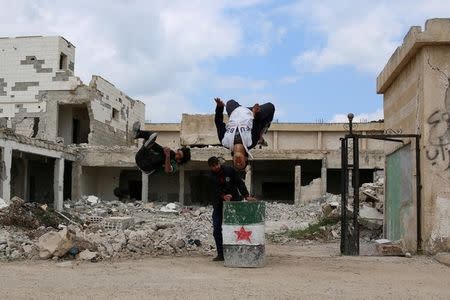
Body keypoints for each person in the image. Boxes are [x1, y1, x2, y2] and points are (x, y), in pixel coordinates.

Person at [207, 156, 256, 261]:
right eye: (213, 166)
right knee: (217, 229)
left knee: (238, 228)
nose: (216, 167)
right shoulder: (210, 177)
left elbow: (239, 183)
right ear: (210, 167)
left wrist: (246, 196)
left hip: (234, 204)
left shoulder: (229, 170)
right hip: (219, 205)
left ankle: (239, 252)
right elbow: (214, 190)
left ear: (219, 164)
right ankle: (221, 254)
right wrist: (223, 196)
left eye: (217, 165)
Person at [214, 98, 275, 171]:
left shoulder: (225, 142)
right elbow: (257, 124)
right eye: (241, 164)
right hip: (251, 113)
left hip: (236, 112)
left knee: (229, 102)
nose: (238, 163)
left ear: (233, 159)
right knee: (271, 107)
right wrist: (256, 113)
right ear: (246, 158)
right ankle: (261, 135)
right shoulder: (250, 142)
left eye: (236, 164)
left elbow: (219, 123)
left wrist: (219, 107)